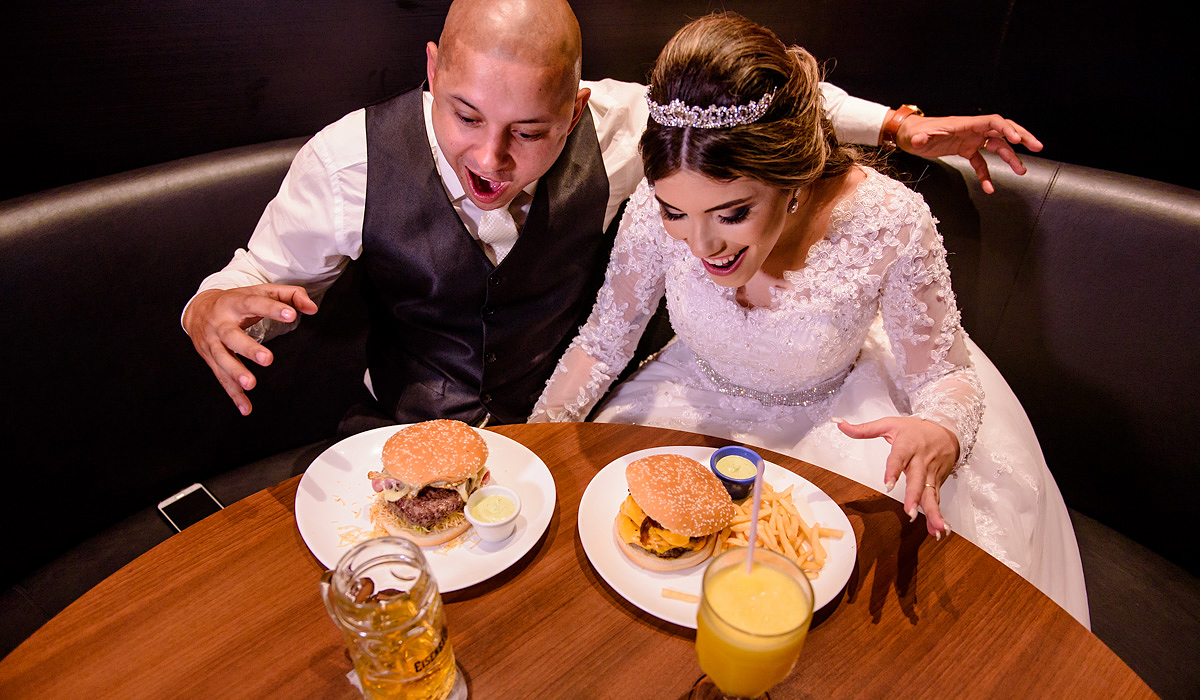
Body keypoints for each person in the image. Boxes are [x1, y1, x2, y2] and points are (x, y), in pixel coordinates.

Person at [181, 0, 1043, 430]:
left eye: (530, 131)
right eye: (466, 116)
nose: (490, 159)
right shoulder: (347, 161)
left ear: (581, 105)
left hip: (558, 431)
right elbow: (250, 278)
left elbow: (762, 113)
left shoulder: (634, 132)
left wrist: (896, 126)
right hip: (395, 430)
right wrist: (213, 303)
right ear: (435, 69)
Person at [529, 12, 1090, 628]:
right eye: (675, 213)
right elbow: (603, 343)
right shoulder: (653, 204)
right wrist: (537, 445)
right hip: (691, 408)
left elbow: (944, 378)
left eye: (733, 213)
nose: (701, 245)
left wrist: (942, 431)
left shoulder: (888, 220)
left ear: (791, 182)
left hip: (836, 424)